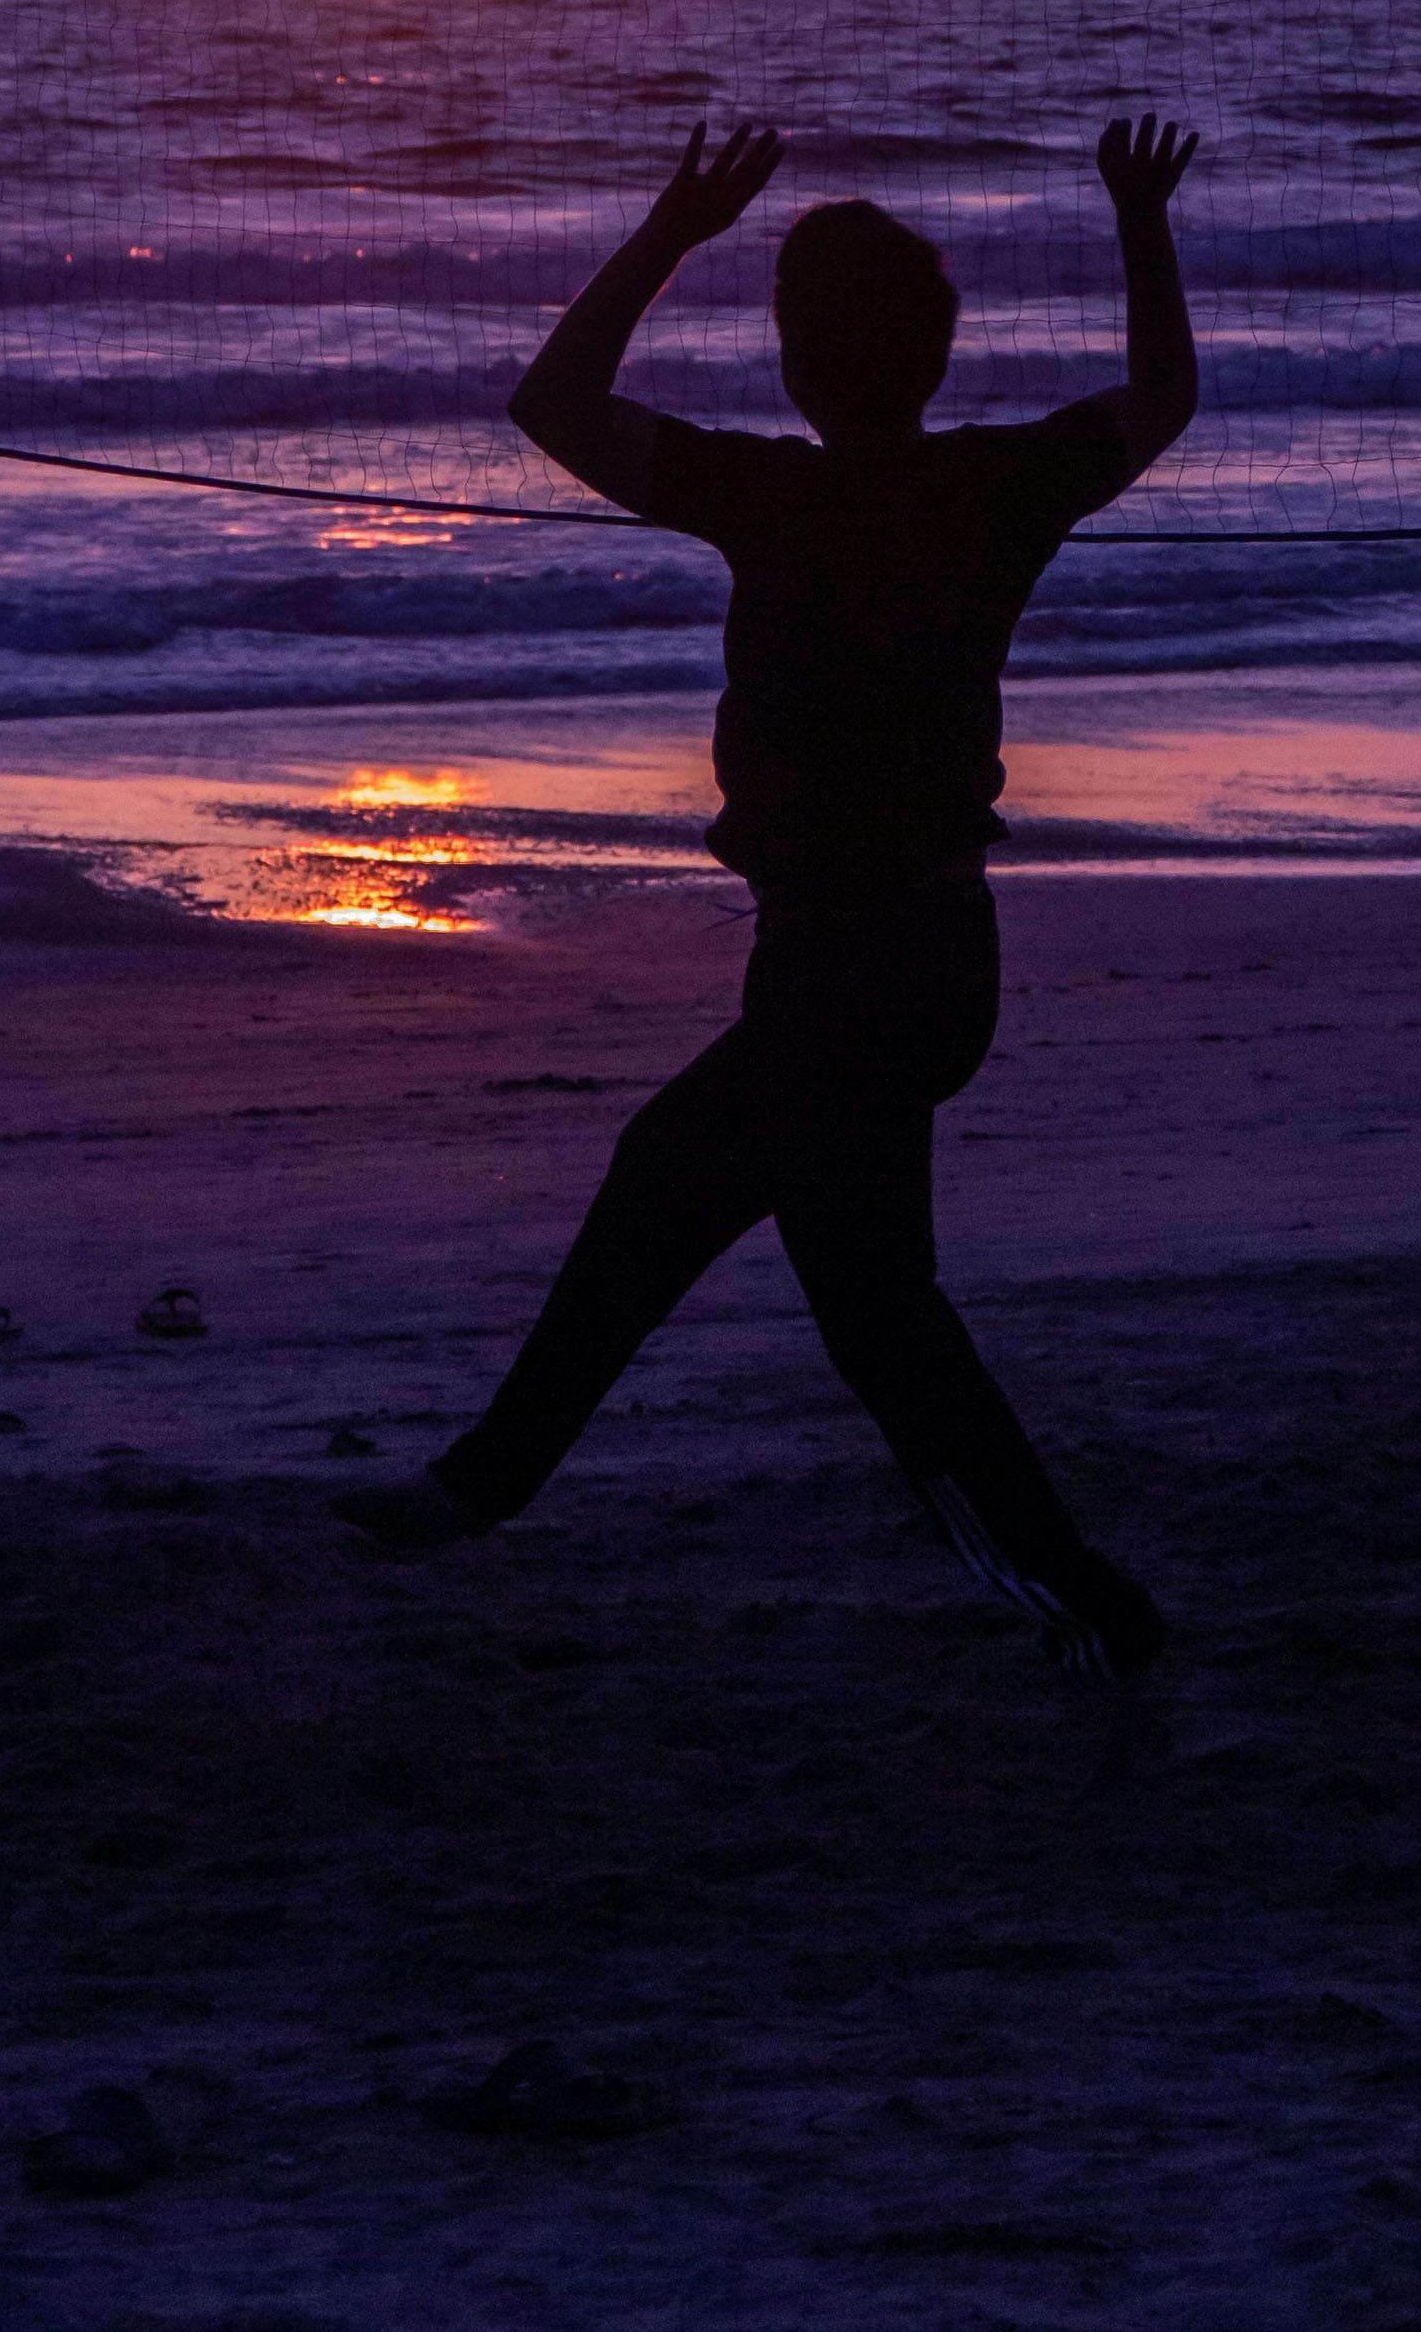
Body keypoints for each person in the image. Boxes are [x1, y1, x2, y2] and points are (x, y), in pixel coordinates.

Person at [342, 114, 1202, 1679]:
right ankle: (480, 1484)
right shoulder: (990, 490)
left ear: (804, 365)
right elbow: (1163, 398)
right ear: (934, 359)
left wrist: (675, 228)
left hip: (857, 967)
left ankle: (1087, 1603)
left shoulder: (780, 497)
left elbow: (550, 399)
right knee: (685, 1191)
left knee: (877, 1321)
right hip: (917, 956)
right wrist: (1137, 220)